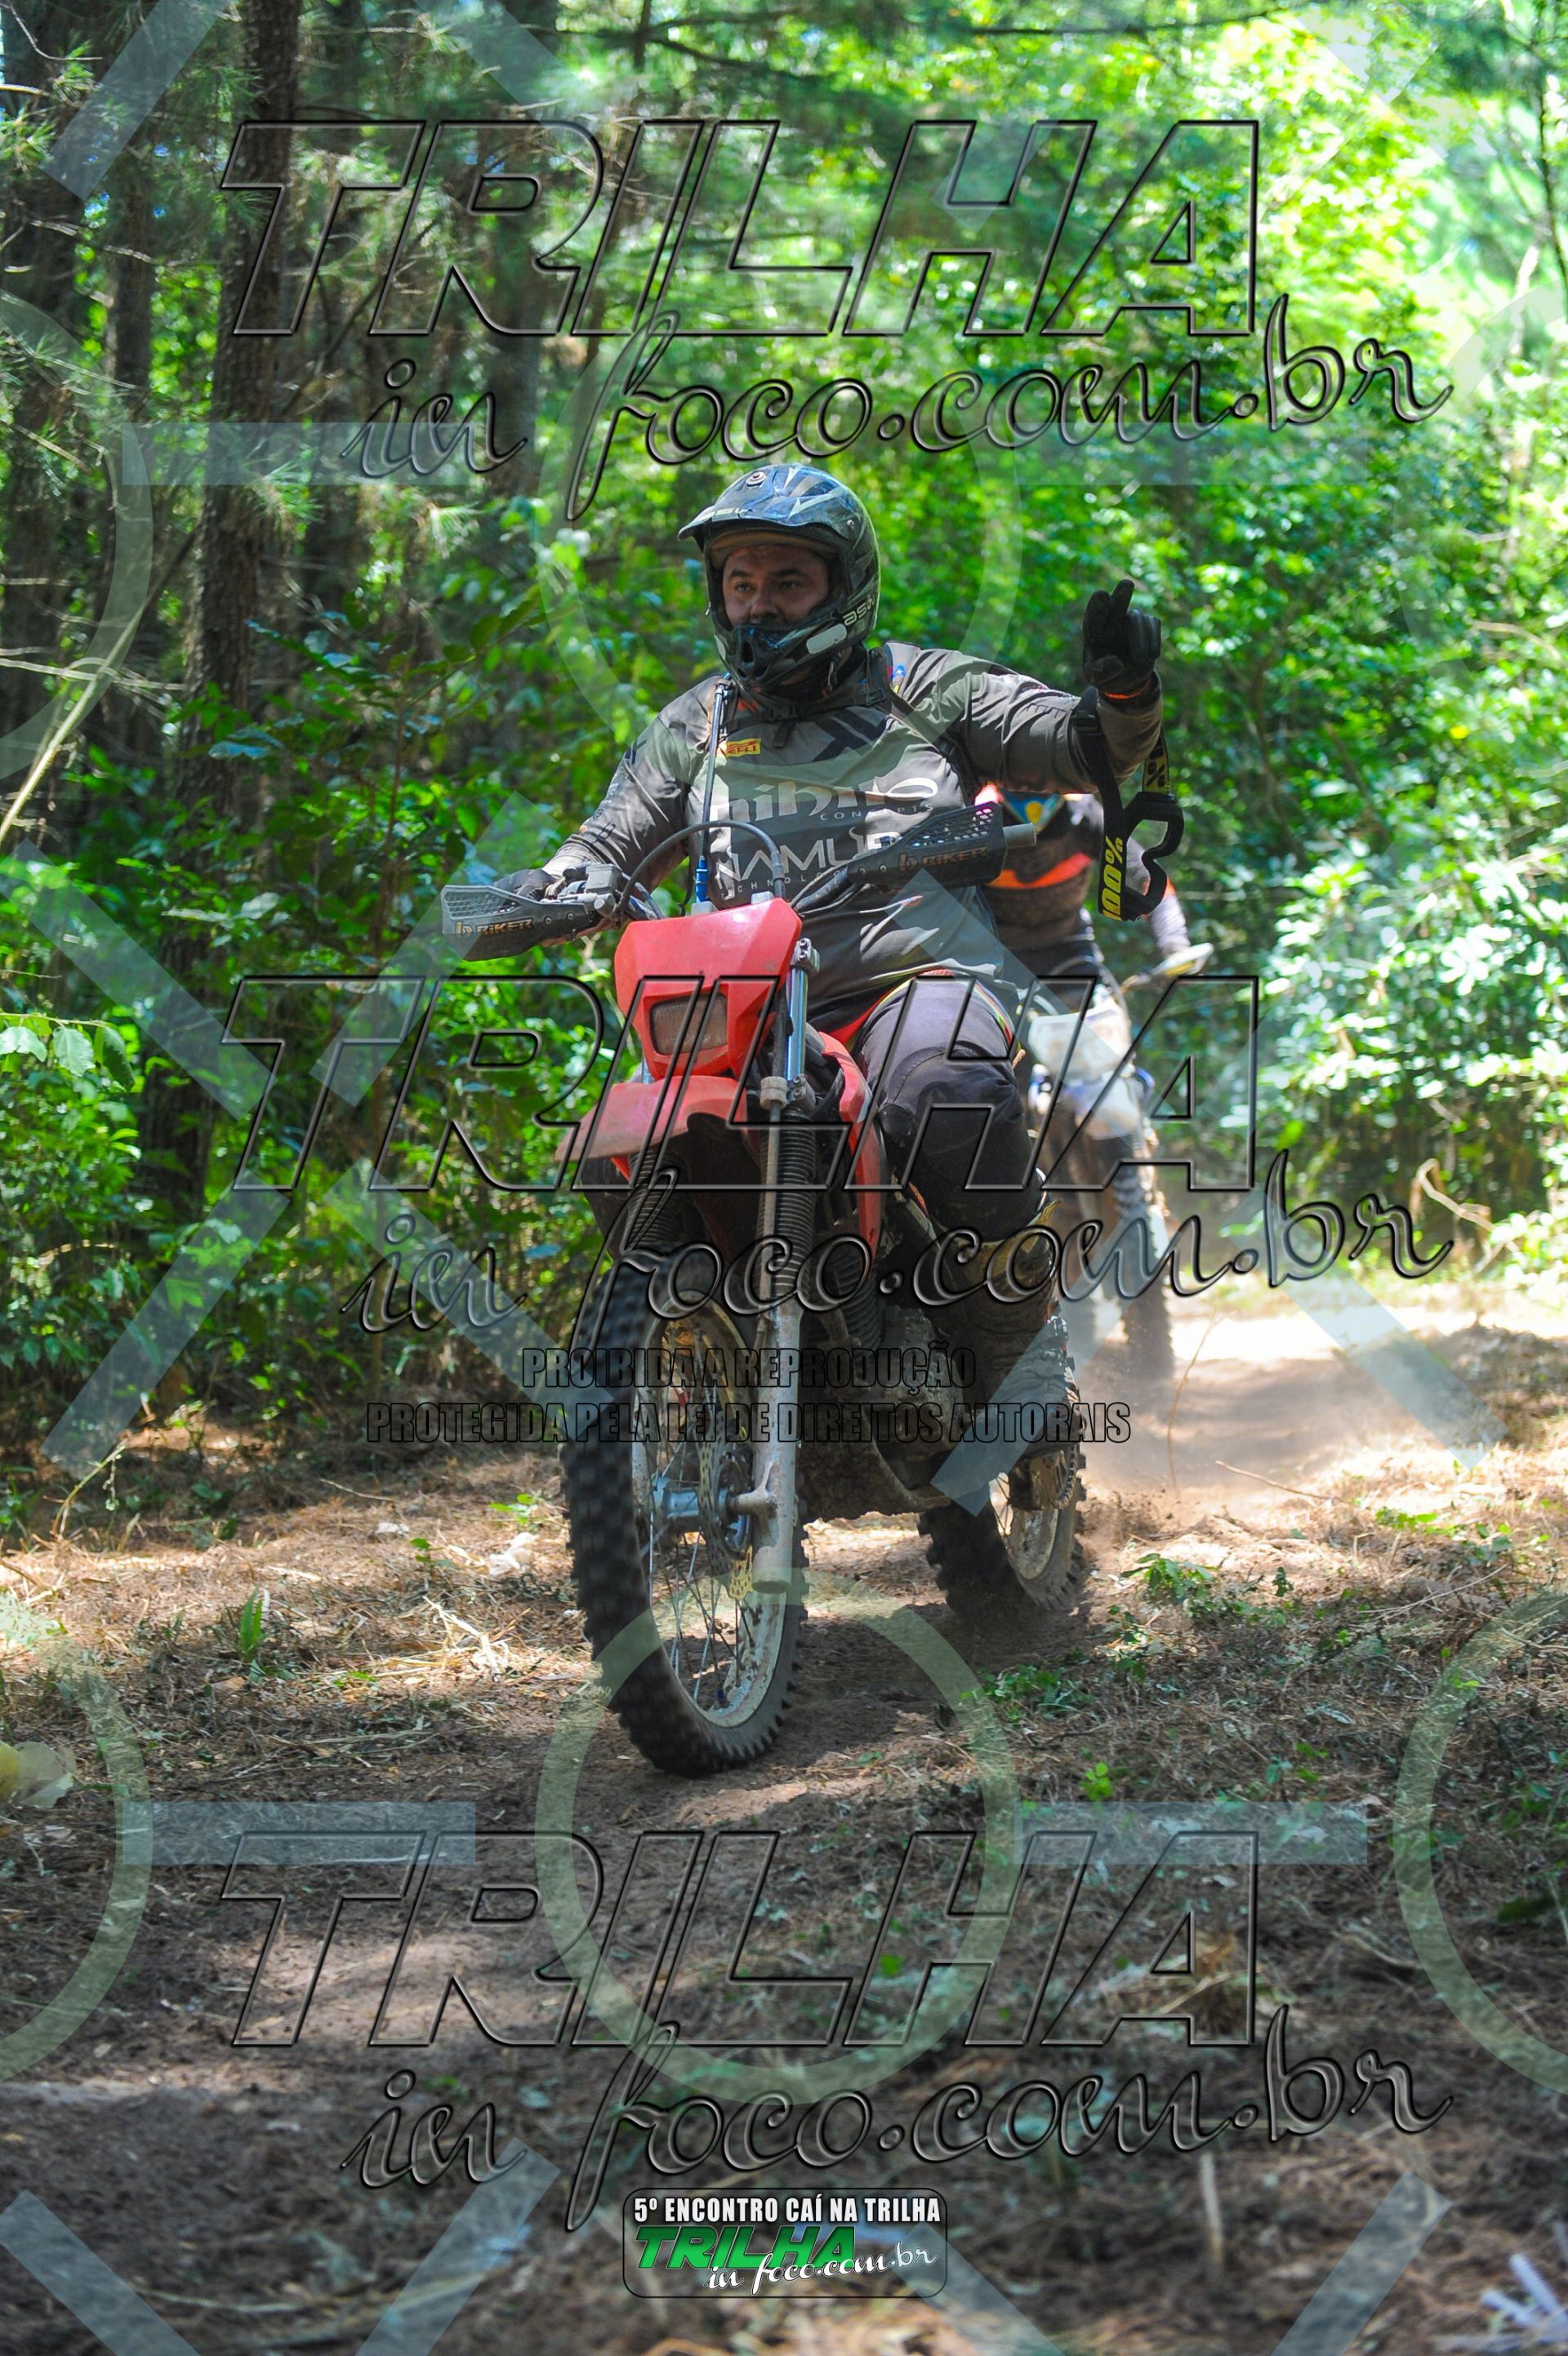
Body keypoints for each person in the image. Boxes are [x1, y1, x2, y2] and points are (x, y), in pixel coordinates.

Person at [501, 462, 1167, 1414]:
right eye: (741, 583)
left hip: (913, 984)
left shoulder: (932, 688)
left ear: (843, 586)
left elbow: (1081, 745)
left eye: (787, 581)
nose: (760, 605)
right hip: (745, 1012)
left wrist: (1125, 693)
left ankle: (1017, 1366)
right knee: (629, 1142)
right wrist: (554, 886)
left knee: (947, 1094)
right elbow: (608, 840)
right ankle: (696, 1364)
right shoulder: (696, 724)